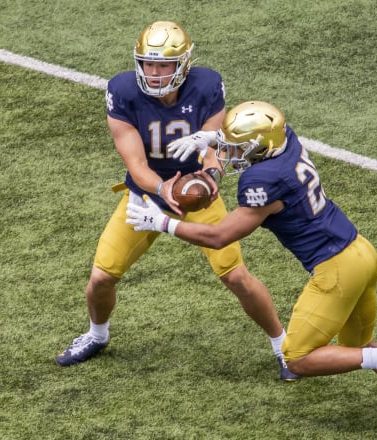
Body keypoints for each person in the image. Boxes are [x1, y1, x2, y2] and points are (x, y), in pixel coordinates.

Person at [125, 100, 377, 428]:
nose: (228, 154)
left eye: (235, 148)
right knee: (358, 347)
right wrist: (211, 138)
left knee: (297, 358)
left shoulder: (263, 182)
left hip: (337, 269)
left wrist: (163, 223)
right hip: (361, 252)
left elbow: (219, 237)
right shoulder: (287, 141)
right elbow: (259, 139)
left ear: (259, 148)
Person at [56, 22, 299, 381]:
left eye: (163, 65)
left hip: (198, 195)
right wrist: (164, 190)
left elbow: (215, 149)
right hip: (146, 196)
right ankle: (97, 335)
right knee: (100, 278)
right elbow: (136, 165)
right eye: (148, 64)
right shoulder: (122, 91)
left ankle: (283, 347)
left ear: (183, 65)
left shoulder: (205, 85)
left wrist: (208, 178)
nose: (154, 74)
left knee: (236, 277)